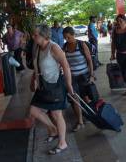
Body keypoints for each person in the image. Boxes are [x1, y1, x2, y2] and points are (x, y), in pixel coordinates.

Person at [29, 24, 74, 155]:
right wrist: (33, 80)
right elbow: (37, 66)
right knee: (33, 110)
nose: (33, 37)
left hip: (55, 85)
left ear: (44, 36)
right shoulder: (38, 47)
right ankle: (53, 129)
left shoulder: (54, 47)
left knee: (56, 114)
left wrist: (69, 85)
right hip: (43, 85)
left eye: (35, 35)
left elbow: (66, 66)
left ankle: (62, 142)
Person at [62, 27, 96, 132]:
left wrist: (91, 75)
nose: (67, 39)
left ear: (73, 35)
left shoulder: (81, 45)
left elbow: (89, 60)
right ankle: (80, 121)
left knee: (86, 97)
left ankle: (91, 115)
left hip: (84, 75)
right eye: (65, 37)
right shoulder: (65, 47)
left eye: (68, 37)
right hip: (72, 77)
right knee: (75, 99)